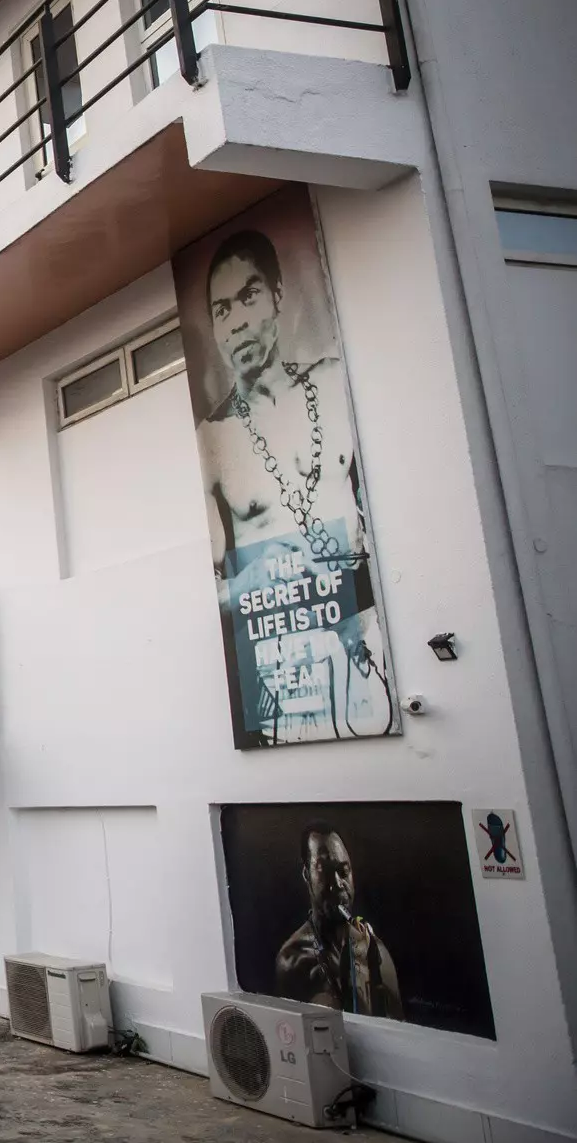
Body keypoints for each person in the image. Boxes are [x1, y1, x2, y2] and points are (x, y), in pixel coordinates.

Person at [195, 228, 388, 739]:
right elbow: (203, 594)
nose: (236, 322)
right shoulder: (212, 440)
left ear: (278, 295)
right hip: (286, 660)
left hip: (369, 630)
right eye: (220, 310)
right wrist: (250, 585)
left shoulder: (333, 382)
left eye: (249, 296)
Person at [275, 823, 402, 1019]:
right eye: (324, 872)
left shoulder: (374, 951)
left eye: (343, 872)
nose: (337, 885)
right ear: (306, 874)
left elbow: (400, 1032)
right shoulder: (293, 961)